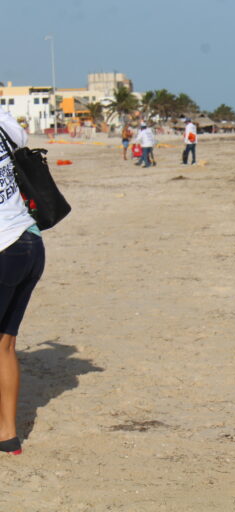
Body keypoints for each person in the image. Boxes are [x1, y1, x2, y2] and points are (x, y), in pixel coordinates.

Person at [0, 110, 46, 456]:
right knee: (4, 345)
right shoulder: (4, 124)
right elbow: (21, 136)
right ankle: (8, 436)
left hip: (3, 249)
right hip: (29, 242)